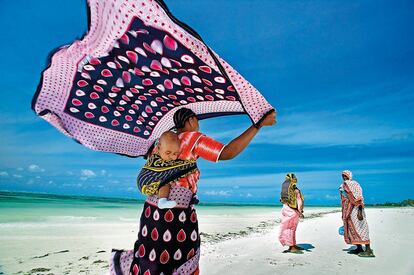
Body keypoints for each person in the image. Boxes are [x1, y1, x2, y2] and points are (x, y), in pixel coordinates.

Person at [109, 108, 276, 275]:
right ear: (190, 120)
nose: (198, 125)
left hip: (150, 210)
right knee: (181, 258)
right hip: (175, 211)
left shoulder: (159, 144)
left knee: (150, 256)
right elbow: (227, 152)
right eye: (196, 120)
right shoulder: (193, 138)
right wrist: (258, 125)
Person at [138, 131, 190, 209]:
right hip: (145, 181)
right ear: (158, 147)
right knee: (165, 183)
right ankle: (162, 201)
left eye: (175, 153)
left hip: (145, 182)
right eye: (168, 152)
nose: (172, 157)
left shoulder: (161, 149)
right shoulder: (156, 157)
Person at [340, 170, 375, 257]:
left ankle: (368, 250)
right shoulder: (343, 185)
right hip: (348, 211)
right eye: (343, 176)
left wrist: (359, 211)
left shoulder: (354, 184)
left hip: (356, 210)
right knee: (351, 228)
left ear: (349, 177)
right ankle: (359, 247)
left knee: (361, 228)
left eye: (346, 176)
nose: (344, 178)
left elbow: (358, 198)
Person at [279, 173, 305, 254]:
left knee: (287, 227)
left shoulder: (285, 190)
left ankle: (293, 244)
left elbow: (282, 200)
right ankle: (292, 247)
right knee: (291, 228)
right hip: (293, 211)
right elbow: (299, 201)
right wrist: (300, 212)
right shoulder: (295, 190)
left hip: (286, 209)